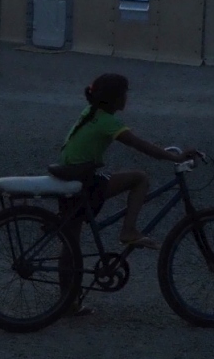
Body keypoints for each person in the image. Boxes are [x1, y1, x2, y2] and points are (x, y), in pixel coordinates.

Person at [55, 73, 198, 316]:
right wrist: (175, 156)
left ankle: (67, 302)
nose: (127, 98)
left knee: (71, 244)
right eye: (124, 94)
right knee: (139, 178)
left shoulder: (90, 113)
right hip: (84, 182)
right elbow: (140, 145)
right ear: (114, 98)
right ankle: (129, 230)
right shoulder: (108, 122)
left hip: (72, 176)